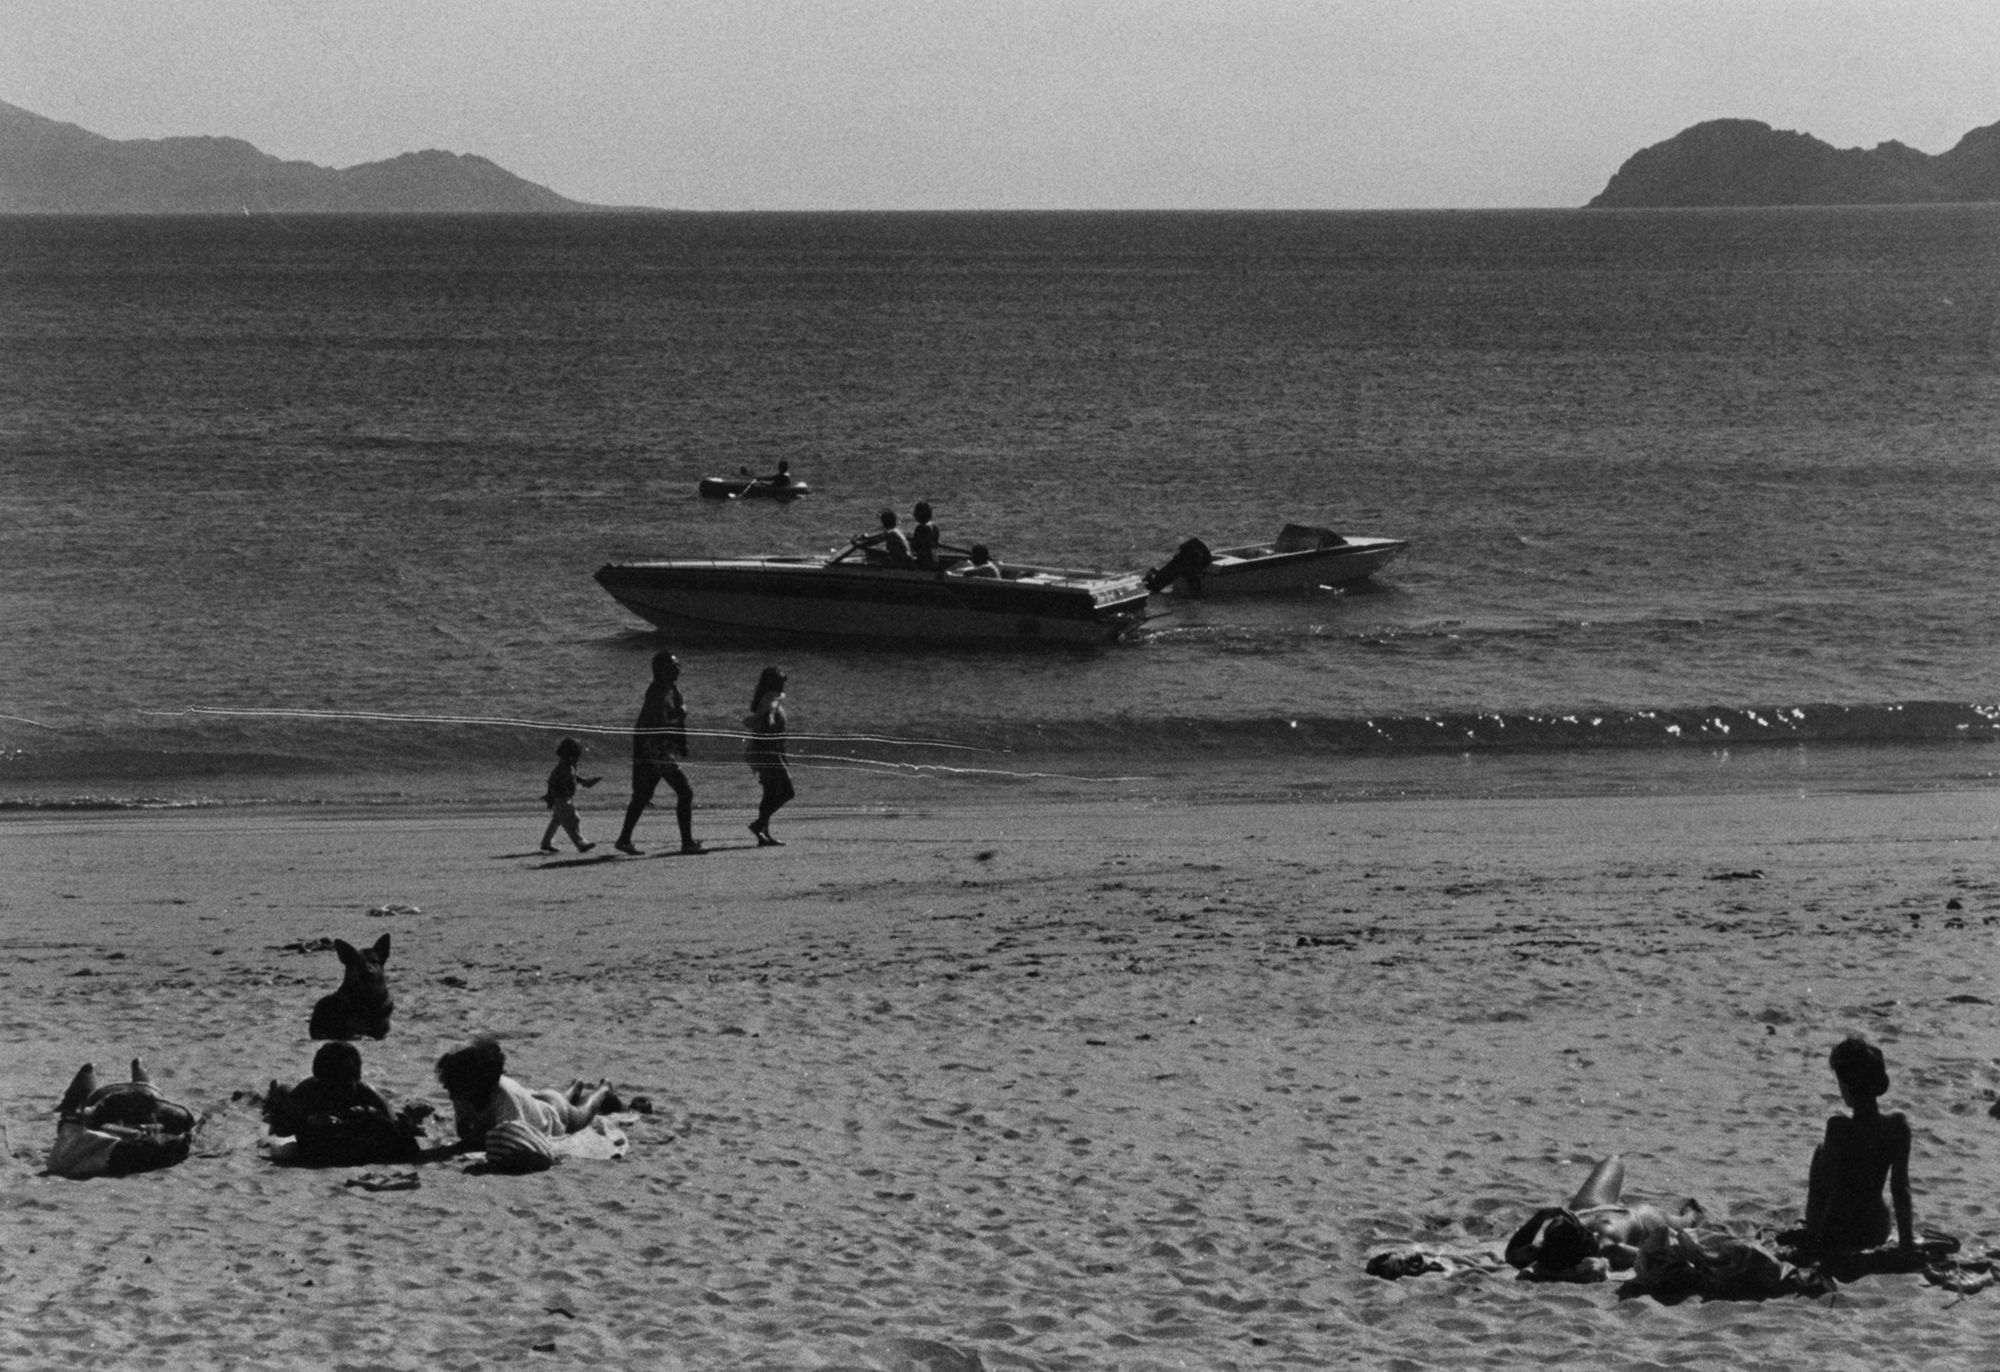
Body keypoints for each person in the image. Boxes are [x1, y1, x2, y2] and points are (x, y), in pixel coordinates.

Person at [1797, 1035, 1915, 1256]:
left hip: (1839, 1230)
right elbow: (1901, 1190)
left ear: (1846, 1086)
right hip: (1874, 1228)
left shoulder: (1838, 1128)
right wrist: (1906, 1246)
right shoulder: (1898, 1126)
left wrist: (1813, 1242)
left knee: (1820, 1152)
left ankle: (1812, 1234)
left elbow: (1826, 1191)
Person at [1505, 1155, 1703, 1275]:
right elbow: (1658, 1254)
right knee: (1689, 1218)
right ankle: (1692, 1210)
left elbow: (1512, 1253)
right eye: (1590, 1238)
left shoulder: (1546, 1249)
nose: (1593, 1235)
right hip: (1638, 1217)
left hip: (1588, 1207)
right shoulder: (1609, 1249)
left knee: (1613, 1160)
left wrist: (1540, 1217)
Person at [435, 1036, 622, 1150]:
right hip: (536, 1100)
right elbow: (463, 1130)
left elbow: (512, 1139)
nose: (451, 1095)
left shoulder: (504, 1097)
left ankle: (603, 1090)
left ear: (476, 1085)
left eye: (455, 1089)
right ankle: (575, 1088)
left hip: (554, 1114)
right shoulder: (463, 1094)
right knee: (558, 1100)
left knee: (583, 1114)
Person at [265, 1041, 424, 1165]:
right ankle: (276, 1091)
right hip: (316, 1138)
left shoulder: (367, 1093)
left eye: (344, 1082)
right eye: (331, 1083)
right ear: (321, 1079)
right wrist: (308, 1121)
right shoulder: (308, 1091)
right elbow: (280, 1128)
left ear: (356, 1077)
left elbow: (393, 1125)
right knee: (282, 1095)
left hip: (345, 1140)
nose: (338, 1089)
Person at [615, 650, 704, 856]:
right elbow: (659, 724)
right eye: (673, 666)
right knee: (685, 792)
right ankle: (687, 842)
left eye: (678, 665)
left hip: (657, 750)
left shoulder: (670, 688)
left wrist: (681, 742)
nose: (678, 669)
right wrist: (679, 714)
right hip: (656, 749)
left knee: (642, 795)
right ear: (662, 670)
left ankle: (624, 839)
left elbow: (675, 723)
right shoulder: (657, 692)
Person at [744, 666, 794, 847]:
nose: (783, 686)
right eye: (781, 682)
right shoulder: (772, 697)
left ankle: (764, 834)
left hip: (765, 750)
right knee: (787, 791)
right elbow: (770, 710)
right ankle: (758, 825)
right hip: (767, 751)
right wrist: (770, 716)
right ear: (773, 683)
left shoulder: (765, 698)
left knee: (770, 792)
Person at [539, 737, 599, 853]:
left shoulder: (569, 765)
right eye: (575, 756)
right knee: (573, 819)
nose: (577, 759)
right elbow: (552, 782)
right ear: (568, 755)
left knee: (557, 820)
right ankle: (581, 843)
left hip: (564, 797)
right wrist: (550, 797)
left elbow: (574, 777)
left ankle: (546, 843)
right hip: (561, 797)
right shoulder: (563, 767)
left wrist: (585, 781)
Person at [910, 501, 941, 570]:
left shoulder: (921, 528)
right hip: (935, 561)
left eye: (916, 512)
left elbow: (914, 547)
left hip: (925, 563)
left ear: (921, 514)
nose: (914, 514)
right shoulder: (934, 526)